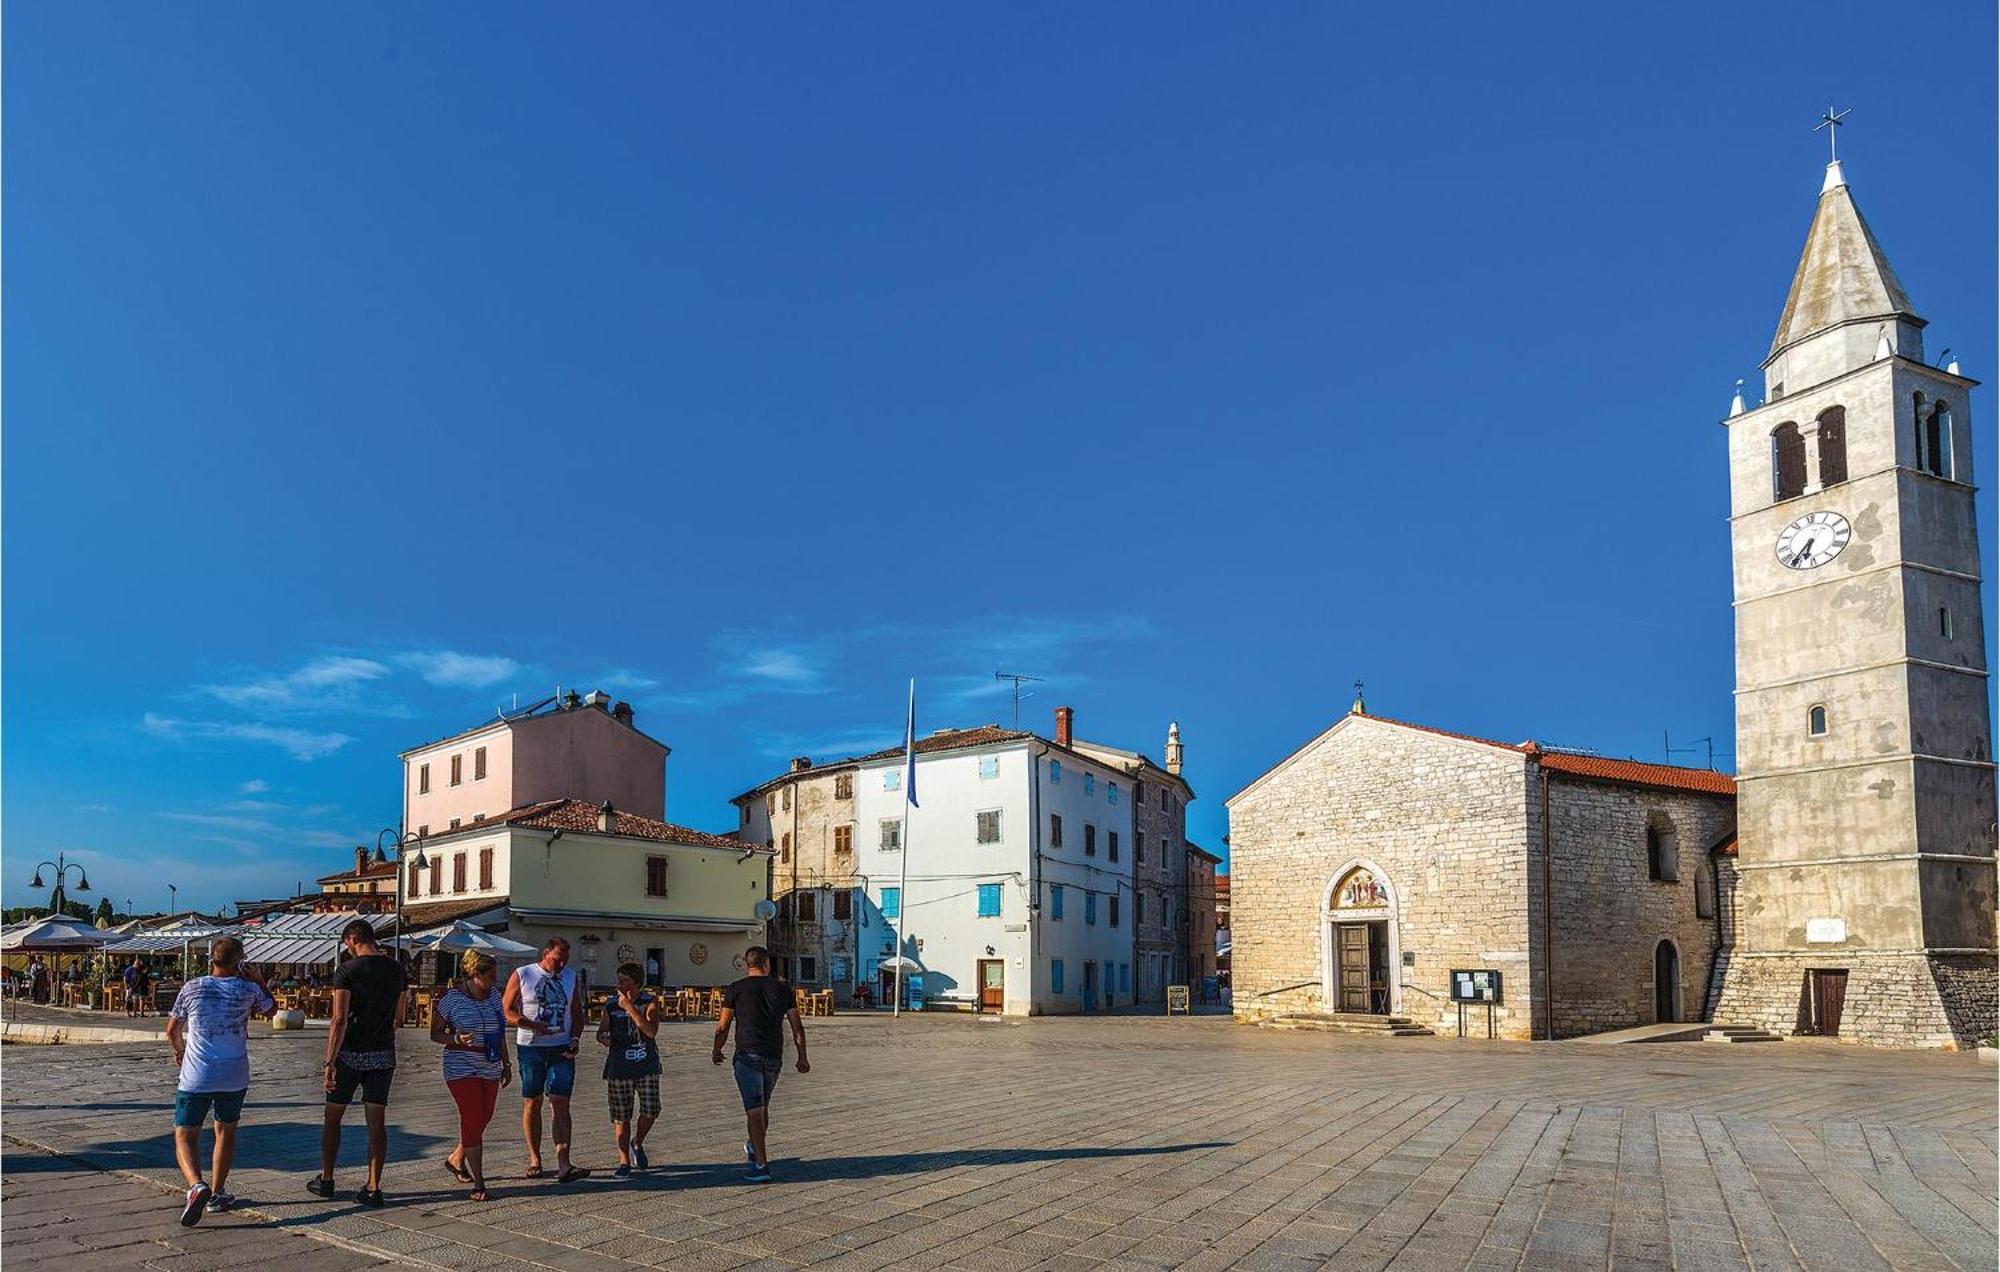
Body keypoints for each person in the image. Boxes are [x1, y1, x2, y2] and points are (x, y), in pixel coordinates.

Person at [164, 937, 275, 1225]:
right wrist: (260, 980)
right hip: (234, 1074)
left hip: (197, 1074)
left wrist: (180, 1051)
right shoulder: (249, 989)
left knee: (185, 1134)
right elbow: (272, 1010)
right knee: (225, 1132)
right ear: (239, 962)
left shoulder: (192, 987)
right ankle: (218, 1193)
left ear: (211, 959)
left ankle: (197, 1185)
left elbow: (172, 1030)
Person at [308, 920, 407, 1207]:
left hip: (349, 1053)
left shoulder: (347, 971)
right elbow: (399, 1017)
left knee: (333, 1118)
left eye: (347, 945)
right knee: (377, 1124)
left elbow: (339, 1019)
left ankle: (326, 1179)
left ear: (352, 939)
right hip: (382, 1055)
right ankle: (373, 1186)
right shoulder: (397, 969)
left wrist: (329, 1060)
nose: (347, 950)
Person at [713, 945, 809, 1184]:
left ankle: (761, 1165)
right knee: (761, 1107)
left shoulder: (735, 989)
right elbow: (797, 1026)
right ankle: (755, 1147)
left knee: (756, 1109)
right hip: (774, 1055)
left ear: (748, 965)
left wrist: (717, 1049)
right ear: (766, 964)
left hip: (747, 1055)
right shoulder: (782, 989)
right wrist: (802, 1056)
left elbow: (722, 1025)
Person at [503, 937, 590, 1182]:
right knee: (533, 1101)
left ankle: (564, 1163)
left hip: (561, 1047)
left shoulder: (571, 976)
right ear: (546, 953)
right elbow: (506, 1009)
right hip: (531, 1047)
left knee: (560, 1102)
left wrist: (575, 1039)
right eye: (556, 959)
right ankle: (535, 1159)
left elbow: (577, 1013)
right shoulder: (523, 974)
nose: (560, 965)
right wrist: (530, 1024)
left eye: (564, 961)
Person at [430, 951, 511, 1202]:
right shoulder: (451, 999)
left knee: (484, 1116)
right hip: (461, 1065)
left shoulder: (494, 996)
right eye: (490, 977)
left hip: (489, 1063)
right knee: (473, 1118)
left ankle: (456, 1158)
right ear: (476, 976)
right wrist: (454, 1038)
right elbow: (435, 1033)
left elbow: (500, 1030)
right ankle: (479, 1182)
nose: (494, 982)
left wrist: (506, 1062)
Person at [595, 962, 662, 1178]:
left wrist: (630, 1008)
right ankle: (624, 1160)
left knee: (651, 1110)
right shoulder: (611, 1005)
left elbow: (651, 1031)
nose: (619, 985)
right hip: (619, 1067)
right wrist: (604, 1037)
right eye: (619, 980)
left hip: (646, 1065)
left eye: (624, 981)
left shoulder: (649, 1002)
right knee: (621, 1116)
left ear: (636, 984)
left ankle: (638, 1141)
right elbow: (601, 1031)